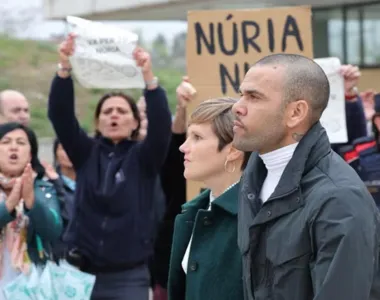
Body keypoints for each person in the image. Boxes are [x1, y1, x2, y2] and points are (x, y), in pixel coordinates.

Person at [233, 53, 380, 300]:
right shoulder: (254, 178)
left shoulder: (339, 200)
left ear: (296, 113)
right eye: (241, 94)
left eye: (254, 97)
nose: (237, 107)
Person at [47, 33, 172, 300]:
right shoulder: (85, 153)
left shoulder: (144, 158)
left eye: (122, 111)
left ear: (135, 122)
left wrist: (149, 79)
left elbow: (162, 127)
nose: (114, 115)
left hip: (129, 276)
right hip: (80, 273)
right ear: (98, 122)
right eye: (107, 111)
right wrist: (64, 67)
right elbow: (60, 115)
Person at [168, 98, 251, 300]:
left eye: (197, 137)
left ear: (233, 150)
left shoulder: (257, 217)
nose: (183, 147)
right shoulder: (192, 212)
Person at [0, 122, 62, 296]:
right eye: (5, 142)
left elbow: (53, 231)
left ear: (30, 154)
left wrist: (31, 202)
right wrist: (9, 206)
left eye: (21, 143)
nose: (13, 147)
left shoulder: (43, 189)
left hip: (30, 286)